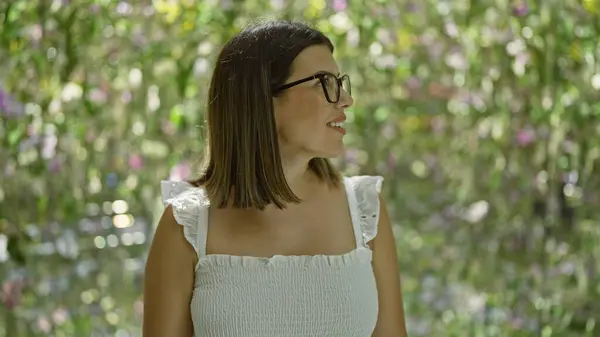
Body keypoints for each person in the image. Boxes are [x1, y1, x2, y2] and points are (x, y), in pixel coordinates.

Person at [143, 19, 408, 337]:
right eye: (324, 83)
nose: (345, 100)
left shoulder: (365, 211)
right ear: (262, 98)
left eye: (340, 82)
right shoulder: (187, 225)